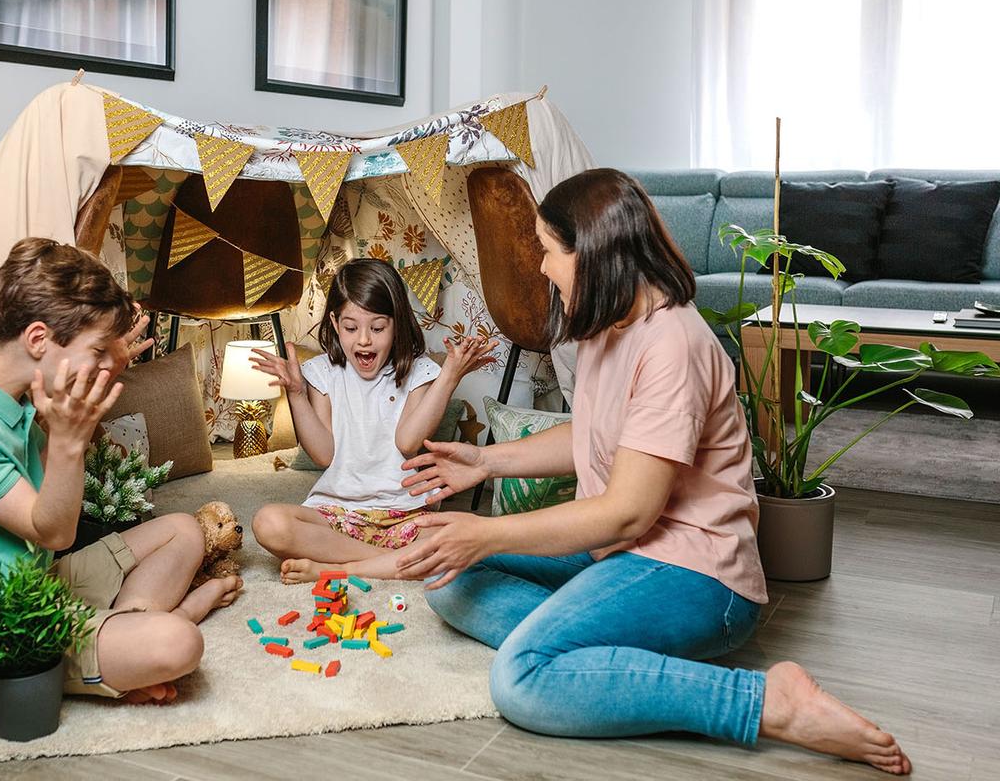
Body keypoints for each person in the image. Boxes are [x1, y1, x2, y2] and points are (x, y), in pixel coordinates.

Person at [396, 169, 911, 775]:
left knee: (521, 678)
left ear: (591, 256)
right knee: (451, 580)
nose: (541, 268)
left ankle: (768, 701)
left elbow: (628, 510)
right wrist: (484, 462)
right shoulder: (605, 325)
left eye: (548, 251)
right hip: (618, 555)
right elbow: (597, 437)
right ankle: (604, 654)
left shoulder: (672, 343)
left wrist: (487, 532)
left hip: (698, 575)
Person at [0, 237, 242, 709]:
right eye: (95, 349)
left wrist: (98, 383)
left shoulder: (13, 400)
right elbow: (53, 530)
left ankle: (119, 636)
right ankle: (162, 624)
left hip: (33, 588)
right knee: (178, 644)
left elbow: (60, 495)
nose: (101, 364)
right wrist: (67, 438)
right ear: (39, 339)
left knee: (182, 530)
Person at [251, 258, 496, 583]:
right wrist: (296, 393)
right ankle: (393, 564)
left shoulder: (420, 371)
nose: (364, 340)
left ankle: (337, 567)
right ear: (336, 323)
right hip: (336, 512)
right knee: (268, 523)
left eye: (378, 328)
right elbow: (324, 455)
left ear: (397, 324)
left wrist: (449, 376)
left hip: (404, 513)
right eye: (351, 328)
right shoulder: (322, 372)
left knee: (458, 540)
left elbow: (408, 442)